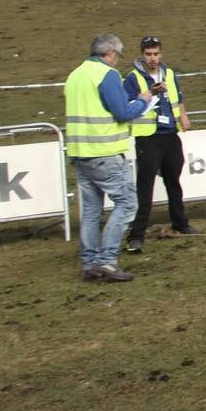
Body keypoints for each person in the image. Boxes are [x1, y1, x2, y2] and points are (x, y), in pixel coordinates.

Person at [64, 34, 155, 282]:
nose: (118, 60)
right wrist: (143, 101)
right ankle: (107, 261)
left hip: (80, 153)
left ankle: (90, 263)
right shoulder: (107, 75)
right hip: (104, 152)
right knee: (127, 204)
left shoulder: (76, 75)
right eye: (118, 55)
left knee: (92, 211)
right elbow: (122, 112)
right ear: (110, 53)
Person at [123, 35, 197, 253]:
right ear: (142, 54)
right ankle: (136, 236)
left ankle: (180, 223)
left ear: (161, 54)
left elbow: (178, 98)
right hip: (148, 137)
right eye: (148, 54)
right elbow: (127, 105)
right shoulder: (132, 78)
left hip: (170, 134)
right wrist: (148, 94)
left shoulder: (170, 74)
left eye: (156, 54)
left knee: (173, 180)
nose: (152, 58)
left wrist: (183, 116)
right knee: (145, 187)